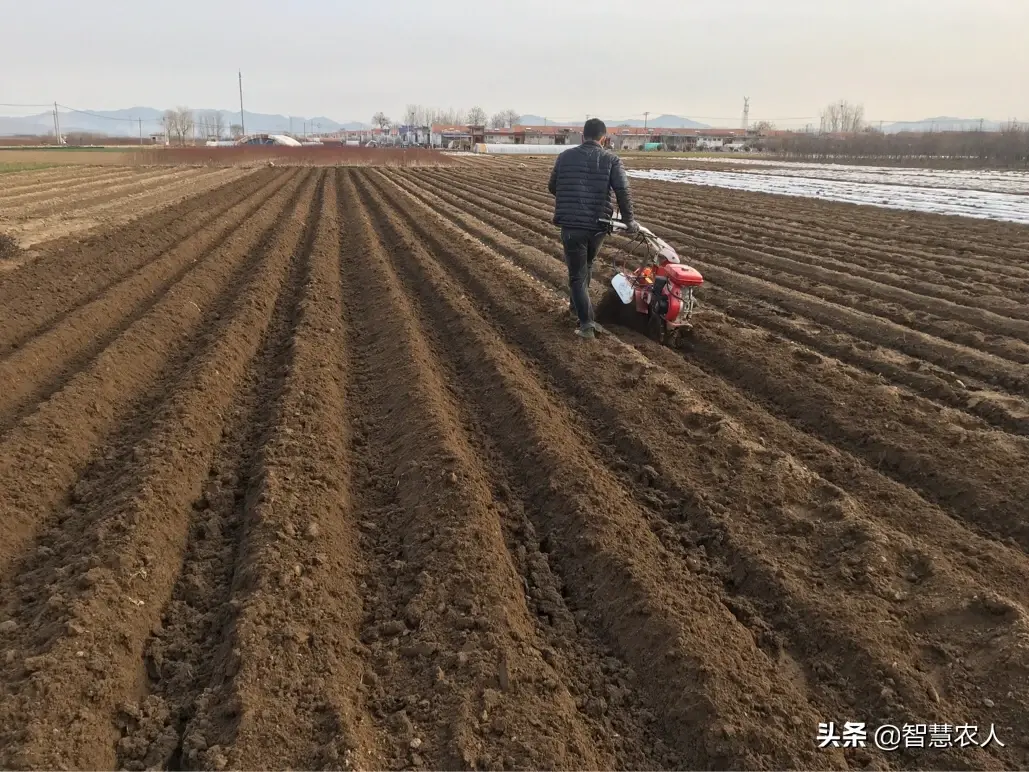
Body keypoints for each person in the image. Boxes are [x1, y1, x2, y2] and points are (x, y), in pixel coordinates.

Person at [548, 118, 639, 339]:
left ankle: (587, 324)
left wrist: (570, 197)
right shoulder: (611, 159)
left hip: (571, 226)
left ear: (582, 136)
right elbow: (622, 191)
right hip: (598, 226)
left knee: (577, 275)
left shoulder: (564, 157)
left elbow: (552, 186)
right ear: (604, 138)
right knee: (586, 266)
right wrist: (629, 221)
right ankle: (576, 309)